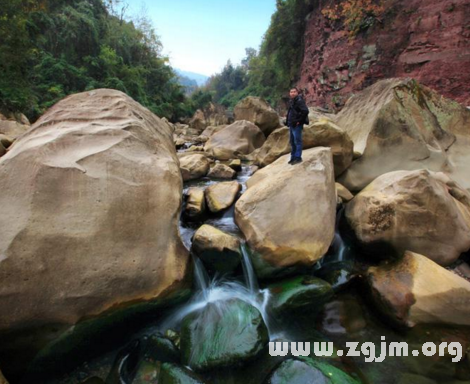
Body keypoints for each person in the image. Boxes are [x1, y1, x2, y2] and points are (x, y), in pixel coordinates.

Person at [286, 87, 309, 165]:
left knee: (297, 141)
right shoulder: (292, 101)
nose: (292, 93)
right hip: (292, 124)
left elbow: (305, 111)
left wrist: (299, 121)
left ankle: (298, 158)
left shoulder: (299, 101)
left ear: (297, 93)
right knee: (292, 142)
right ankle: (293, 158)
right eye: (291, 92)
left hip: (296, 125)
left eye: (294, 92)